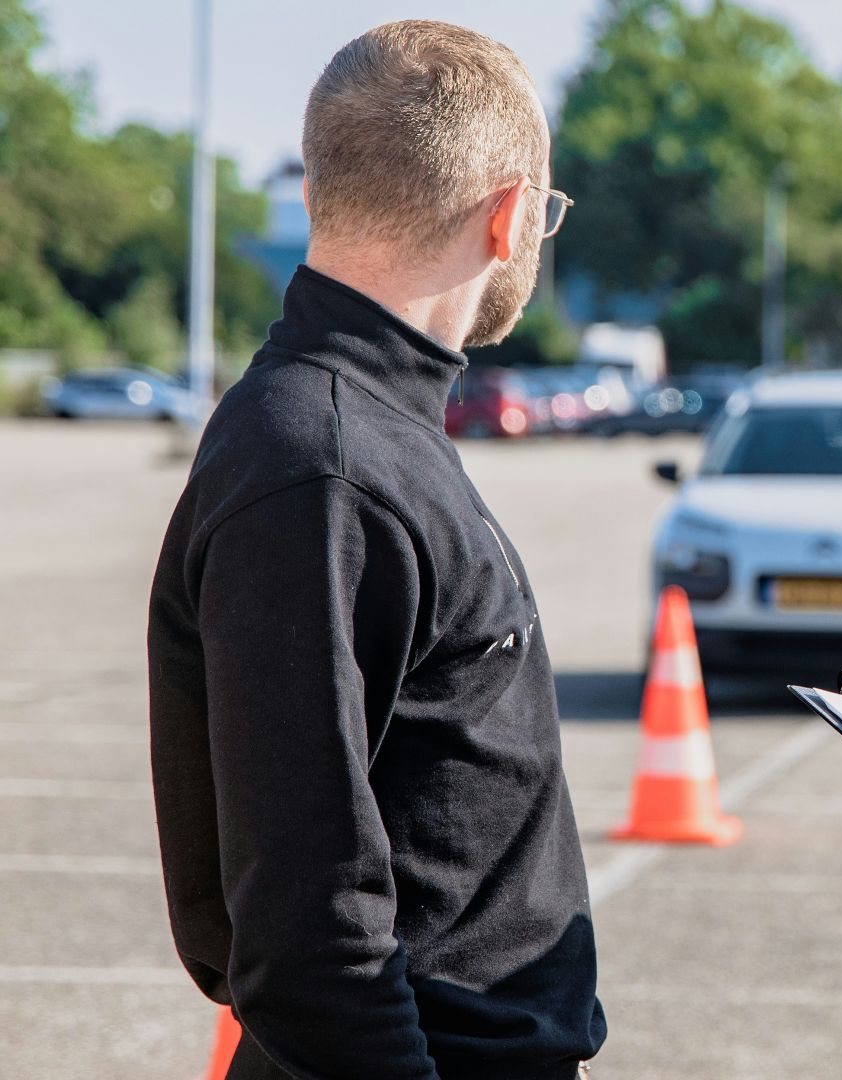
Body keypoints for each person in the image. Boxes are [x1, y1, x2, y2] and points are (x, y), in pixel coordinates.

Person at [147, 21, 603, 1079]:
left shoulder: (359, 434)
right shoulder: (325, 468)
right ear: (512, 216)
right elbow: (310, 940)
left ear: (316, 194)